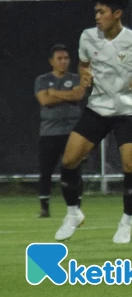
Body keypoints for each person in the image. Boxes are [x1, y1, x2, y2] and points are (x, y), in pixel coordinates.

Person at [54, 0, 132, 243]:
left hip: (127, 111)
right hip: (97, 109)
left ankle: (125, 222)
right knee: (69, 161)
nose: (97, 17)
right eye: (95, 12)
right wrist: (84, 75)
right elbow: (83, 63)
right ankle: (73, 213)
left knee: (130, 165)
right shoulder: (87, 36)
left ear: (117, 13)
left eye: (102, 12)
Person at [34, 44, 85, 218]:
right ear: (51, 61)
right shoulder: (42, 80)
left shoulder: (77, 79)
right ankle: (44, 207)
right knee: (46, 170)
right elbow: (44, 101)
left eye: (66, 58)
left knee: (74, 169)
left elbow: (78, 96)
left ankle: (76, 207)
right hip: (49, 133)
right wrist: (67, 95)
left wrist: (55, 92)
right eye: (59, 58)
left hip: (73, 132)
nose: (64, 61)